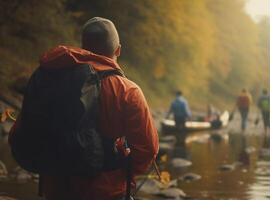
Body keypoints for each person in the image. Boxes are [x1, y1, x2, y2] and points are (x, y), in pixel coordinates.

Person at [9, 17, 159, 200]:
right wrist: (123, 169)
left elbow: (21, 131)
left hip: (56, 189)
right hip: (106, 190)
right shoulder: (127, 91)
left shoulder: (52, 79)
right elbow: (148, 149)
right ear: (118, 49)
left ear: (83, 47)